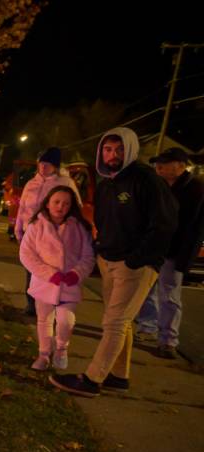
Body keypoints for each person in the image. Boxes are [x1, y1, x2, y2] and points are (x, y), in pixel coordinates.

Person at [50, 127, 178, 397]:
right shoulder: (107, 182)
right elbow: (105, 222)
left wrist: (136, 259)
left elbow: (164, 223)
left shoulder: (146, 180)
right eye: (108, 149)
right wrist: (99, 248)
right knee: (120, 322)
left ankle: (92, 379)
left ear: (130, 150)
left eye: (119, 149)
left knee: (115, 323)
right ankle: (119, 376)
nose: (113, 155)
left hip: (134, 265)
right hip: (108, 261)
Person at [134, 147, 204, 358]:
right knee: (145, 289)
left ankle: (168, 340)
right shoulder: (158, 186)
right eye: (158, 163)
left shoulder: (196, 190)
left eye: (165, 163)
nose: (159, 167)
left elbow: (197, 228)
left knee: (170, 296)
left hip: (174, 251)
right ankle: (148, 326)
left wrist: (186, 258)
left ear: (181, 166)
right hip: (153, 248)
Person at [20, 186, 95, 371]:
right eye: (57, 202)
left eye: (66, 203)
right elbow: (27, 254)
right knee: (44, 321)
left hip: (69, 284)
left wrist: (77, 273)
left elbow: (88, 256)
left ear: (71, 206)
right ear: (47, 203)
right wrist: (49, 274)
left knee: (65, 321)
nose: (61, 206)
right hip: (44, 284)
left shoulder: (78, 228)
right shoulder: (36, 226)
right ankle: (43, 355)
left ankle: (61, 348)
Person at [15, 147, 81, 316]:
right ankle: (32, 304)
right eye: (41, 163)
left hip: (54, 236)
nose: (43, 167)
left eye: (48, 164)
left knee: (51, 271)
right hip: (31, 234)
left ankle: (53, 304)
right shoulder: (31, 184)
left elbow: (76, 208)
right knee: (31, 270)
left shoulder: (64, 183)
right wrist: (18, 229)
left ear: (55, 166)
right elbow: (22, 208)